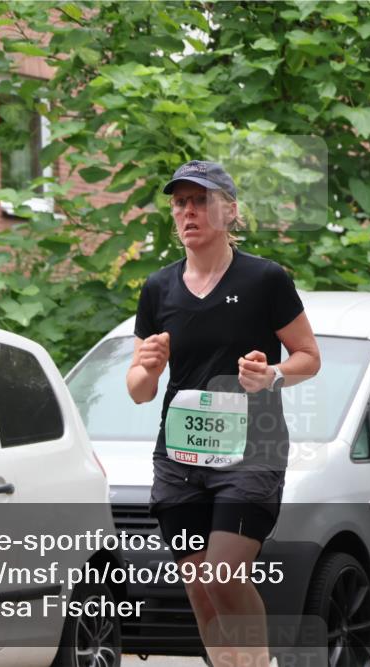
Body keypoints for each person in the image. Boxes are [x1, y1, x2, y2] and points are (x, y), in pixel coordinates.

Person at [126, 160, 321, 667]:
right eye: (180, 202)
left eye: (201, 201)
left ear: (229, 211)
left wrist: (273, 374)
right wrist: (147, 367)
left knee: (222, 575)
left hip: (251, 451)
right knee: (200, 591)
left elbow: (309, 358)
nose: (188, 211)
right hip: (180, 457)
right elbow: (140, 391)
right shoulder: (158, 289)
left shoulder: (265, 279)